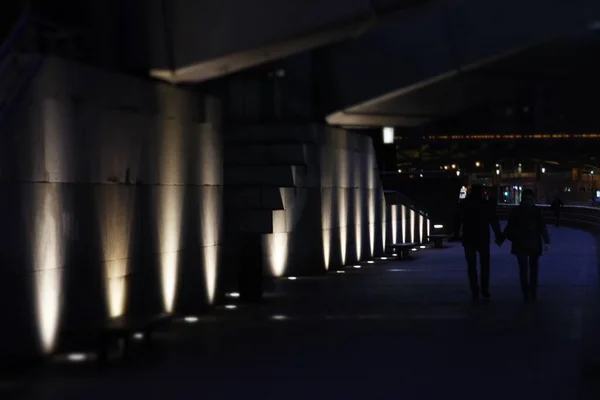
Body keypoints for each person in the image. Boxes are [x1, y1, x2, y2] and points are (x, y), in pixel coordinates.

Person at [455, 184, 503, 301]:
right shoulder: (485, 205)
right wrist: (498, 235)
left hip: (469, 238)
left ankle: (474, 289)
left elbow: (458, 219)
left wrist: (456, 233)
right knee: (485, 265)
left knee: (471, 266)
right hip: (483, 238)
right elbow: (493, 220)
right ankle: (484, 289)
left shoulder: (465, 204)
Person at [503, 188, 551, 302]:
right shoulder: (537, 211)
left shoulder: (516, 211)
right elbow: (542, 227)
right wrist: (547, 241)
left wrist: (504, 238)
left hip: (520, 244)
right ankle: (533, 292)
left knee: (523, 270)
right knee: (534, 269)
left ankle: (525, 293)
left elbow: (509, 227)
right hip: (534, 244)